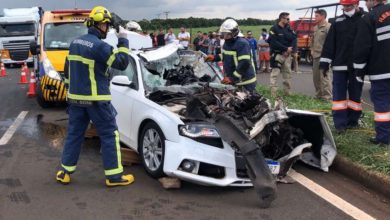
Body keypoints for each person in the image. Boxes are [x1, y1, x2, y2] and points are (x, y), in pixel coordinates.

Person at [56, 6, 134, 186]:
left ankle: (65, 172)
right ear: (99, 25)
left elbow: (68, 70)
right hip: (96, 101)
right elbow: (122, 63)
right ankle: (114, 177)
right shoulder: (99, 46)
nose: (107, 29)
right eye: (106, 25)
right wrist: (123, 40)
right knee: (109, 135)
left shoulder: (75, 43)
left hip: (75, 100)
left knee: (74, 135)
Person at [320, 0, 366, 134]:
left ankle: (353, 121)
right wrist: (324, 63)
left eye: (349, 5)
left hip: (357, 66)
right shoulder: (337, 22)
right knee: (338, 96)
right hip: (340, 65)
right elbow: (330, 44)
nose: (346, 8)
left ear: (357, 4)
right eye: (344, 6)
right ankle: (340, 124)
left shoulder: (365, 19)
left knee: (355, 95)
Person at [353, 0, 390, 145]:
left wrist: (359, 70)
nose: (366, 3)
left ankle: (384, 138)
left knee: (383, 104)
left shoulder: (370, 17)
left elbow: (362, 47)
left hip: (381, 70)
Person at [205, 19, 257, 92]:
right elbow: (226, 55)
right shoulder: (228, 42)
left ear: (234, 33)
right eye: (224, 33)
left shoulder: (242, 43)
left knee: (249, 102)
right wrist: (215, 57)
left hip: (245, 82)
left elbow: (244, 62)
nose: (225, 36)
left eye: (227, 34)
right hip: (234, 81)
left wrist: (233, 78)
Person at [268, 12, 297, 97]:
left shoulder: (289, 29)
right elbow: (273, 42)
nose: (289, 20)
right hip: (277, 55)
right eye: (287, 19)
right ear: (282, 18)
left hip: (287, 55)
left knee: (287, 75)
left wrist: (290, 49)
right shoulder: (273, 29)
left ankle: (287, 93)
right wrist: (285, 49)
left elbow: (294, 39)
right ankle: (273, 94)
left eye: (289, 18)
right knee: (274, 75)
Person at [310, 9, 332, 101]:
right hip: (315, 55)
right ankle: (318, 95)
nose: (315, 17)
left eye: (317, 16)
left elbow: (331, 42)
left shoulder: (329, 27)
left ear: (323, 16)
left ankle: (327, 97)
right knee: (316, 78)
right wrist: (311, 50)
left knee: (324, 77)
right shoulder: (315, 28)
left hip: (324, 56)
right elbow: (312, 41)